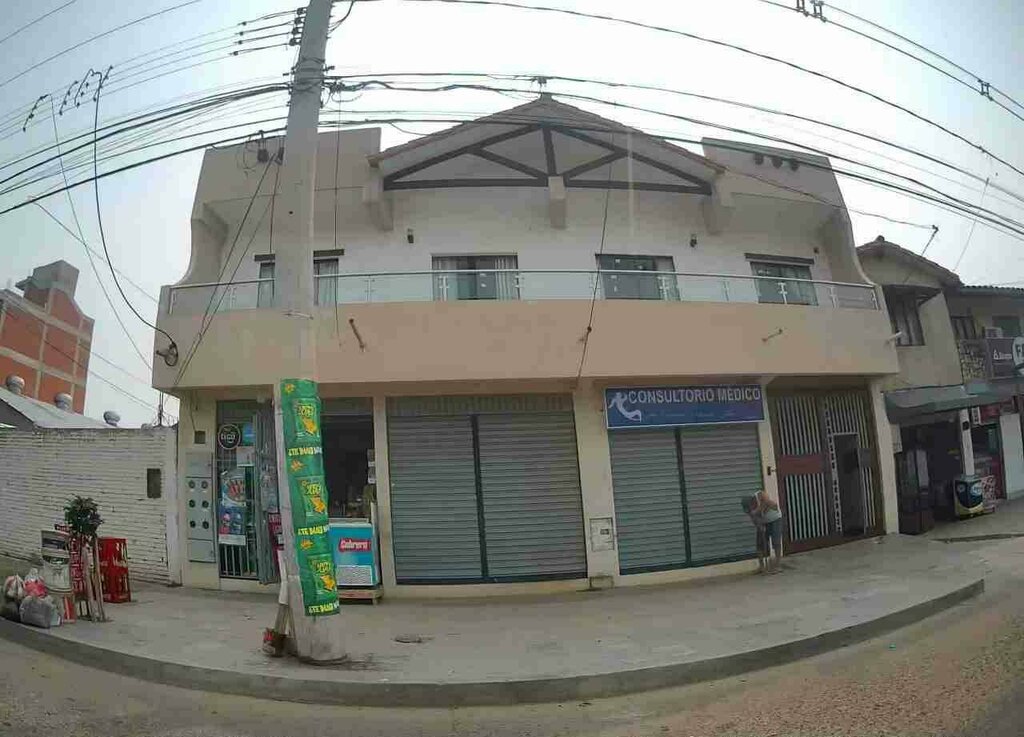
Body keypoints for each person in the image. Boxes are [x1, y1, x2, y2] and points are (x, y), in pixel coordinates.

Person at [749, 489, 783, 573]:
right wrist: (759, 526)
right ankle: (761, 567)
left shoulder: (759, 494)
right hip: (764, 522)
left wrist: (757, 511)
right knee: (760, 543)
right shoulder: (750, 508)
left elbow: (767, 502)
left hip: (775, 519)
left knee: (776, 542)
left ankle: (778, 566)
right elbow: (754, 519)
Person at [740, 495, 770, 573]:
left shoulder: (759, 508)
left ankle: (766, 566)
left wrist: (762, 527)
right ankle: (762, 566)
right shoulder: (750, 511)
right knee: (759, 547)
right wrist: (759, 527)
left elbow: (763, 517)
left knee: (764, 546)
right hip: (760, 528)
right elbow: (755, 521)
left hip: (765, 526)